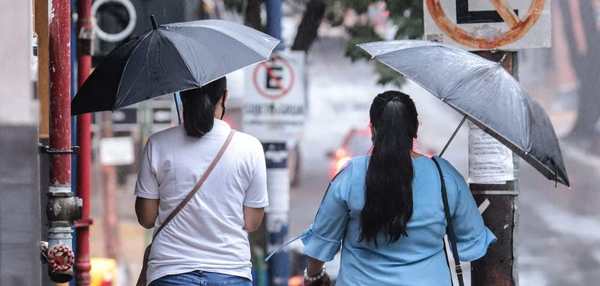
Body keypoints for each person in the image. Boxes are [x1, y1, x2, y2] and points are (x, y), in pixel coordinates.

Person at [302, 91, 496, 286]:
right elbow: (473, 242)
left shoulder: (350, 176)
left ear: (373, 130)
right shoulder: (444, 176)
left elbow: (321, 243)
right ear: (415, 129)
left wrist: (315, 276)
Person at [134, 77, 268, 286]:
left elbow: (147, 218)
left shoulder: (158, 144)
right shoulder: (250, 147)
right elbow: (252, 222)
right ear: (224, 97)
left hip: (170, 272)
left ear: (182, 96)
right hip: (230, 272)